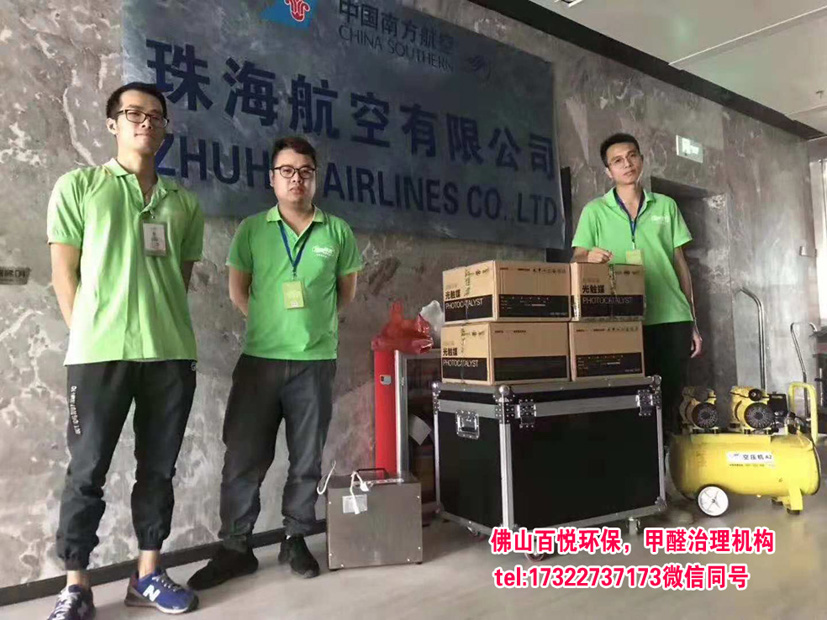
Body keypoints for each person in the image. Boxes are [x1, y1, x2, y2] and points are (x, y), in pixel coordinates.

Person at [46, 82, 204, 619]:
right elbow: (64, 274)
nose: (146, 123)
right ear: (113, 123)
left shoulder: (183, 204)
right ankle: (76, 585)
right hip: (98, 356)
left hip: (169, 354)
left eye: (156, 116)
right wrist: (87, 334)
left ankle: (148, 575)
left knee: (158, 470)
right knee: (87, 470)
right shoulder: (79, 186)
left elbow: (180, 279)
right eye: (134, 113)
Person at [188, 136, 362, 590]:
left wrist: (311, 328)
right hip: (259, 363)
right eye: (287, 171)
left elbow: (346, 293)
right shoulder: (252, 230)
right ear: (272, 178)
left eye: (305, 171)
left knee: (306, 457)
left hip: (315, 362)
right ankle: (235, 547)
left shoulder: (337, 232)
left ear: (315, 178)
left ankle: (295, 538)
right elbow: (237, 291)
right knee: (243, 456)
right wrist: (270, 326)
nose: (296, 179)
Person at [571, 133, 702, 519]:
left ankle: (663, 494)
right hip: (620, 323)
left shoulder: (666, 206)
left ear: (642, 160)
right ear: (607, 170)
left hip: (671, 318)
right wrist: (589, 258)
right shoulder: (595, 211)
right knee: (627, 406)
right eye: (617, 160)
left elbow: (680, 265)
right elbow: (576, 259)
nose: (626, 164)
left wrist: (693, 322)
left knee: (667, 405)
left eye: (632, 156)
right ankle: (629, 494)